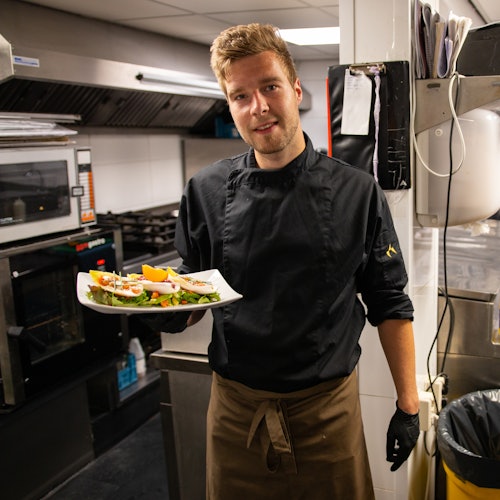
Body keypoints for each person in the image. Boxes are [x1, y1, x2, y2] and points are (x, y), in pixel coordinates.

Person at [153, 23, 420, 500]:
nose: (258, 107)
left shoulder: (356, 192)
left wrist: (408, 406)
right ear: (229, 105)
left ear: (295, 90)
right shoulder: (205, 192)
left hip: (326, 415)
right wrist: (157, 311)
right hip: (236, 411)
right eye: (240, 96)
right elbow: (193, 293)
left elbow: (388, 301)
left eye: (269, 86)